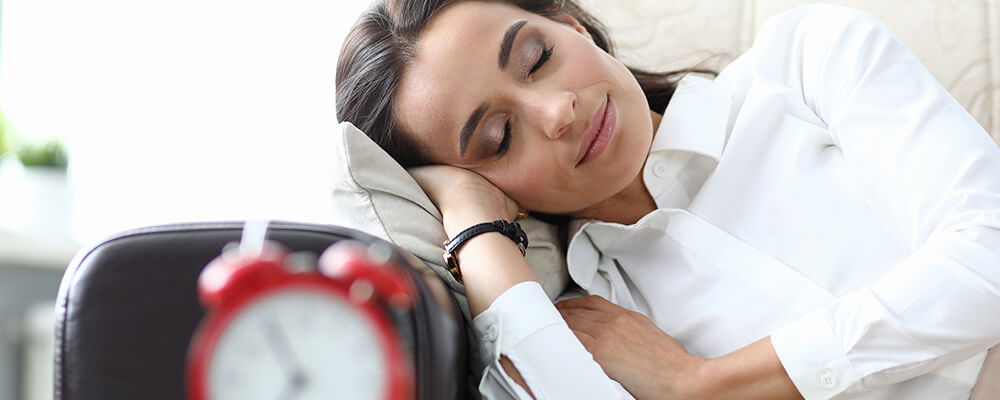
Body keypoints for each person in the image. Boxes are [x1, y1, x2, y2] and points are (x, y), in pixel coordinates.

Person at [335, 0, 1000, 398]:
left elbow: (989, 253)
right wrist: (473, 223)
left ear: (572, 25)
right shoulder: (591, 316)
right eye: (499, 137)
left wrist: (701, 383)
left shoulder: (805, 61)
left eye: (537, 57)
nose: (558, 112)